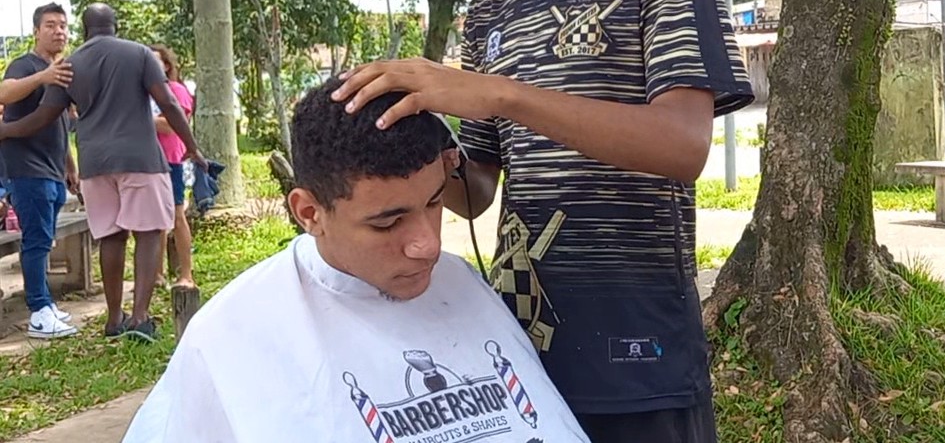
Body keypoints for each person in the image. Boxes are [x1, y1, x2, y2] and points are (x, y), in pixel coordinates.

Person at [332, 0, 756, 441]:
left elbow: (683, 145)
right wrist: (402, 136)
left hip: (641, 360)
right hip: (519, 357)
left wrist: (501, 93)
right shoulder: (490, 10)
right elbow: (475, 192)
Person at [121, 80, 592, 443]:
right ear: (309, 213)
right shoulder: (231, 333)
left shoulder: (460, 282)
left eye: (434, 203)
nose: (428, 245)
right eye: (388, 223)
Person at [0, 4, 205, 343]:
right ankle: (139, 318)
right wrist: (193, 147)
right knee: (149, 232)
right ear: (115, 25)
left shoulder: (70, 65)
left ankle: (113, 319)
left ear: (83, 29)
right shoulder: (139, 54)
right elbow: (168, 103)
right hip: (139, 158)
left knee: (111, 236)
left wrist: (6, 130)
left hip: (94, 164)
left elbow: (42, 117)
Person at [0, 3, 79, 339]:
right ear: (36, 31)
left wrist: (70, 167)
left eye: (63, 25)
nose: (58, 31)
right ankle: (38, 311)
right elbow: (4, 93)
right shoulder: (26, 65)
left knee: (43, 240)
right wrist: (43, 77)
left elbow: (60, 125)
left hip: (53, 170)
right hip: (26, 169)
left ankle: (45, 304)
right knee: (35, 241)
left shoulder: (60, 72)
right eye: (50, 25)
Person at [149, 44, 195, 289]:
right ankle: (156, 274)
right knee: (154, 220)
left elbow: (172, 125)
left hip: (171, 160)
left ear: (166, 65)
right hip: (146, 161)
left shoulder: (177, 90)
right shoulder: (143, 92)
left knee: (177, 216)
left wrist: (141, 119)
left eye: (155, 60)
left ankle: (186, 273)